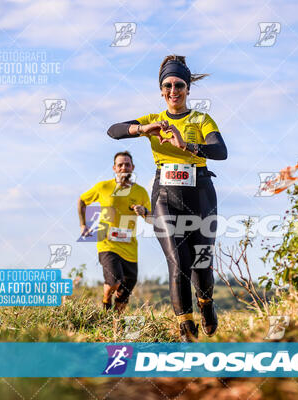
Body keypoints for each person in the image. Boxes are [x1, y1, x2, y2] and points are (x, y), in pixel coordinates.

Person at [106, 55, 228, 342]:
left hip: (200, 194)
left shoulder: (201, 119)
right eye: (168, 85)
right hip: (165, 195)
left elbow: (221, 151)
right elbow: (113, 131)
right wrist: (142, 129)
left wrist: (188, 145)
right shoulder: (153, 120)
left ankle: (206, 304)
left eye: (179, 85)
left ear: (188, 88)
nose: (173, 91)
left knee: (201, 264)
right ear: (161, 90)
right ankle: (186, 330)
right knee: (178, 263)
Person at [78, 151, 151, 314]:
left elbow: (152, 218)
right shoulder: (103, 187)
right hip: (107, 243)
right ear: (114, 168)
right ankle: (105, 300)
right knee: (114, 281)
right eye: (120, 165)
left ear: (132, 167)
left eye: (127, 164)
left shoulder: (140, 192)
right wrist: (83, 224)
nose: (124, 167)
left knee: (125, 290)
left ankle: (115, 322)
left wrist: (144, 211)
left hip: (129, 247)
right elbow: (82, 201)